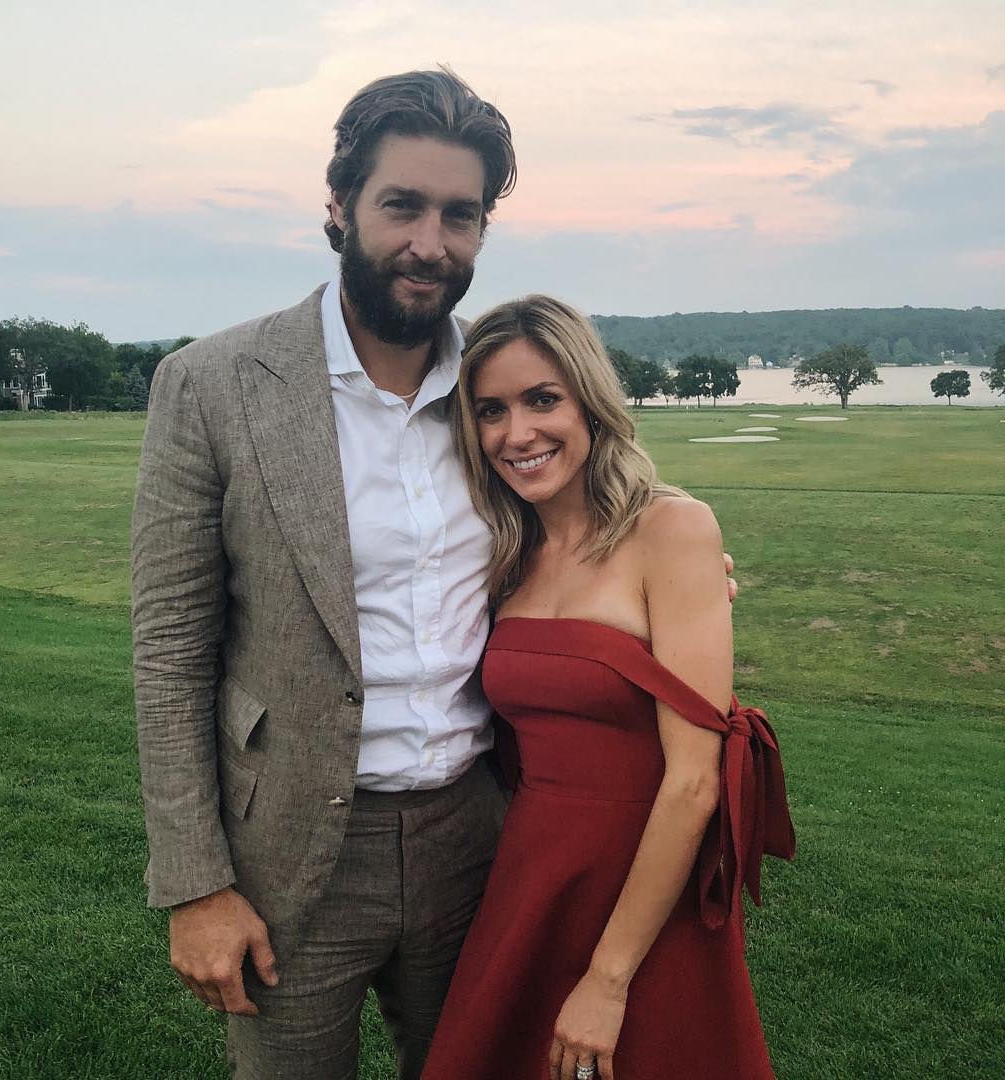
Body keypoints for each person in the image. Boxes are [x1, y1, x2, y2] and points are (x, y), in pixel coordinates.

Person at [132, 69, 738, 1079]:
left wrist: (682, 580)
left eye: (460, 215)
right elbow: (168, 651)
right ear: (339, 206)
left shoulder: (491, 393)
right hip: (290, 848)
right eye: (402, 205)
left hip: (482, 835)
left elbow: (586, 536)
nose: (430, 241)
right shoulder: (212, 385)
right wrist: (194, 883)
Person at [421, 296, 795, 1080]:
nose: (517, 434)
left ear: (590, 400)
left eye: (542, 399)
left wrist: (608, 978)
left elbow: (694, 783)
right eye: (491, 410)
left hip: (646, 887)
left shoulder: (673, 530)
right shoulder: (503, 549)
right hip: (531, 878)